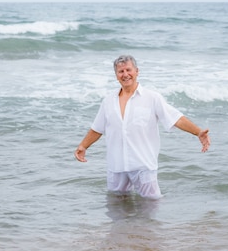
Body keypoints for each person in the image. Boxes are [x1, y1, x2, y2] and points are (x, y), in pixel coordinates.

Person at [74, 55, 211, 199]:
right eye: (121, 71)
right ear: (116, 76)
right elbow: (97, 128)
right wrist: (83, 146)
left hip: (143, 166)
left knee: (151, 207)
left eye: (128, 70)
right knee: (116, 210)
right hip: (117, 167)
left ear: (137, 71)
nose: (125, 74)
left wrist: (198, 132)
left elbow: (175, 118)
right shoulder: (108, 101)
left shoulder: (152, 98)